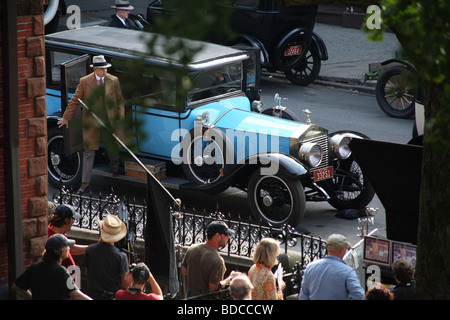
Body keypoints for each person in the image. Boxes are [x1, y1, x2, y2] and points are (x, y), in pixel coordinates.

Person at [57, 55, 125, 193]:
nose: (104, 71)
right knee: (88, 152)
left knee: (111, 145)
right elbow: (75, 100)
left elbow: (120, 101)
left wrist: (120, 118)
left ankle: (115, 167)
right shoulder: (85, 81)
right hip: (92, 123)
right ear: (94, 69)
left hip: (109, 121)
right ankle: (85, 182)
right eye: (101, 69)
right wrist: (66, 118)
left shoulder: (113, 80)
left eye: (105, 69)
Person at [12, 234, 92, 300]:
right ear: (59, 251)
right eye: (66, 246)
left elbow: (16, 287)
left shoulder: (34, 267)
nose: (69, 248)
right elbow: (77, 295)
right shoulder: (60, 271)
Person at [299, 234, 365, 300]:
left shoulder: (310, 267)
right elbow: (359, 296)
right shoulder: (348, 272)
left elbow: (303, 295)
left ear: (327, 248)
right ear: (341, 250)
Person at [181, 221, 238, 297]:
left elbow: (184, 271)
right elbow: (213, 288)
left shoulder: (192, 248)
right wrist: (229, 279)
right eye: (226, 234)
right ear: (217, 236)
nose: (228, 237)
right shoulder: (218, 261)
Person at [84, 214, 129, 299]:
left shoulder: (89, 250)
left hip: (92, 296)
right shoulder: (121, 256)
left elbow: (88, 275)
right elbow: (125, 284)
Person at [48, 204, 87, 269]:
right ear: (66, 220)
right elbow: (71, 249)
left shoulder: (60, 233)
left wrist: (92, 248)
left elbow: (70, 248)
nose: (73, 222)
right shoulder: (51, 238)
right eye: (73, 219)